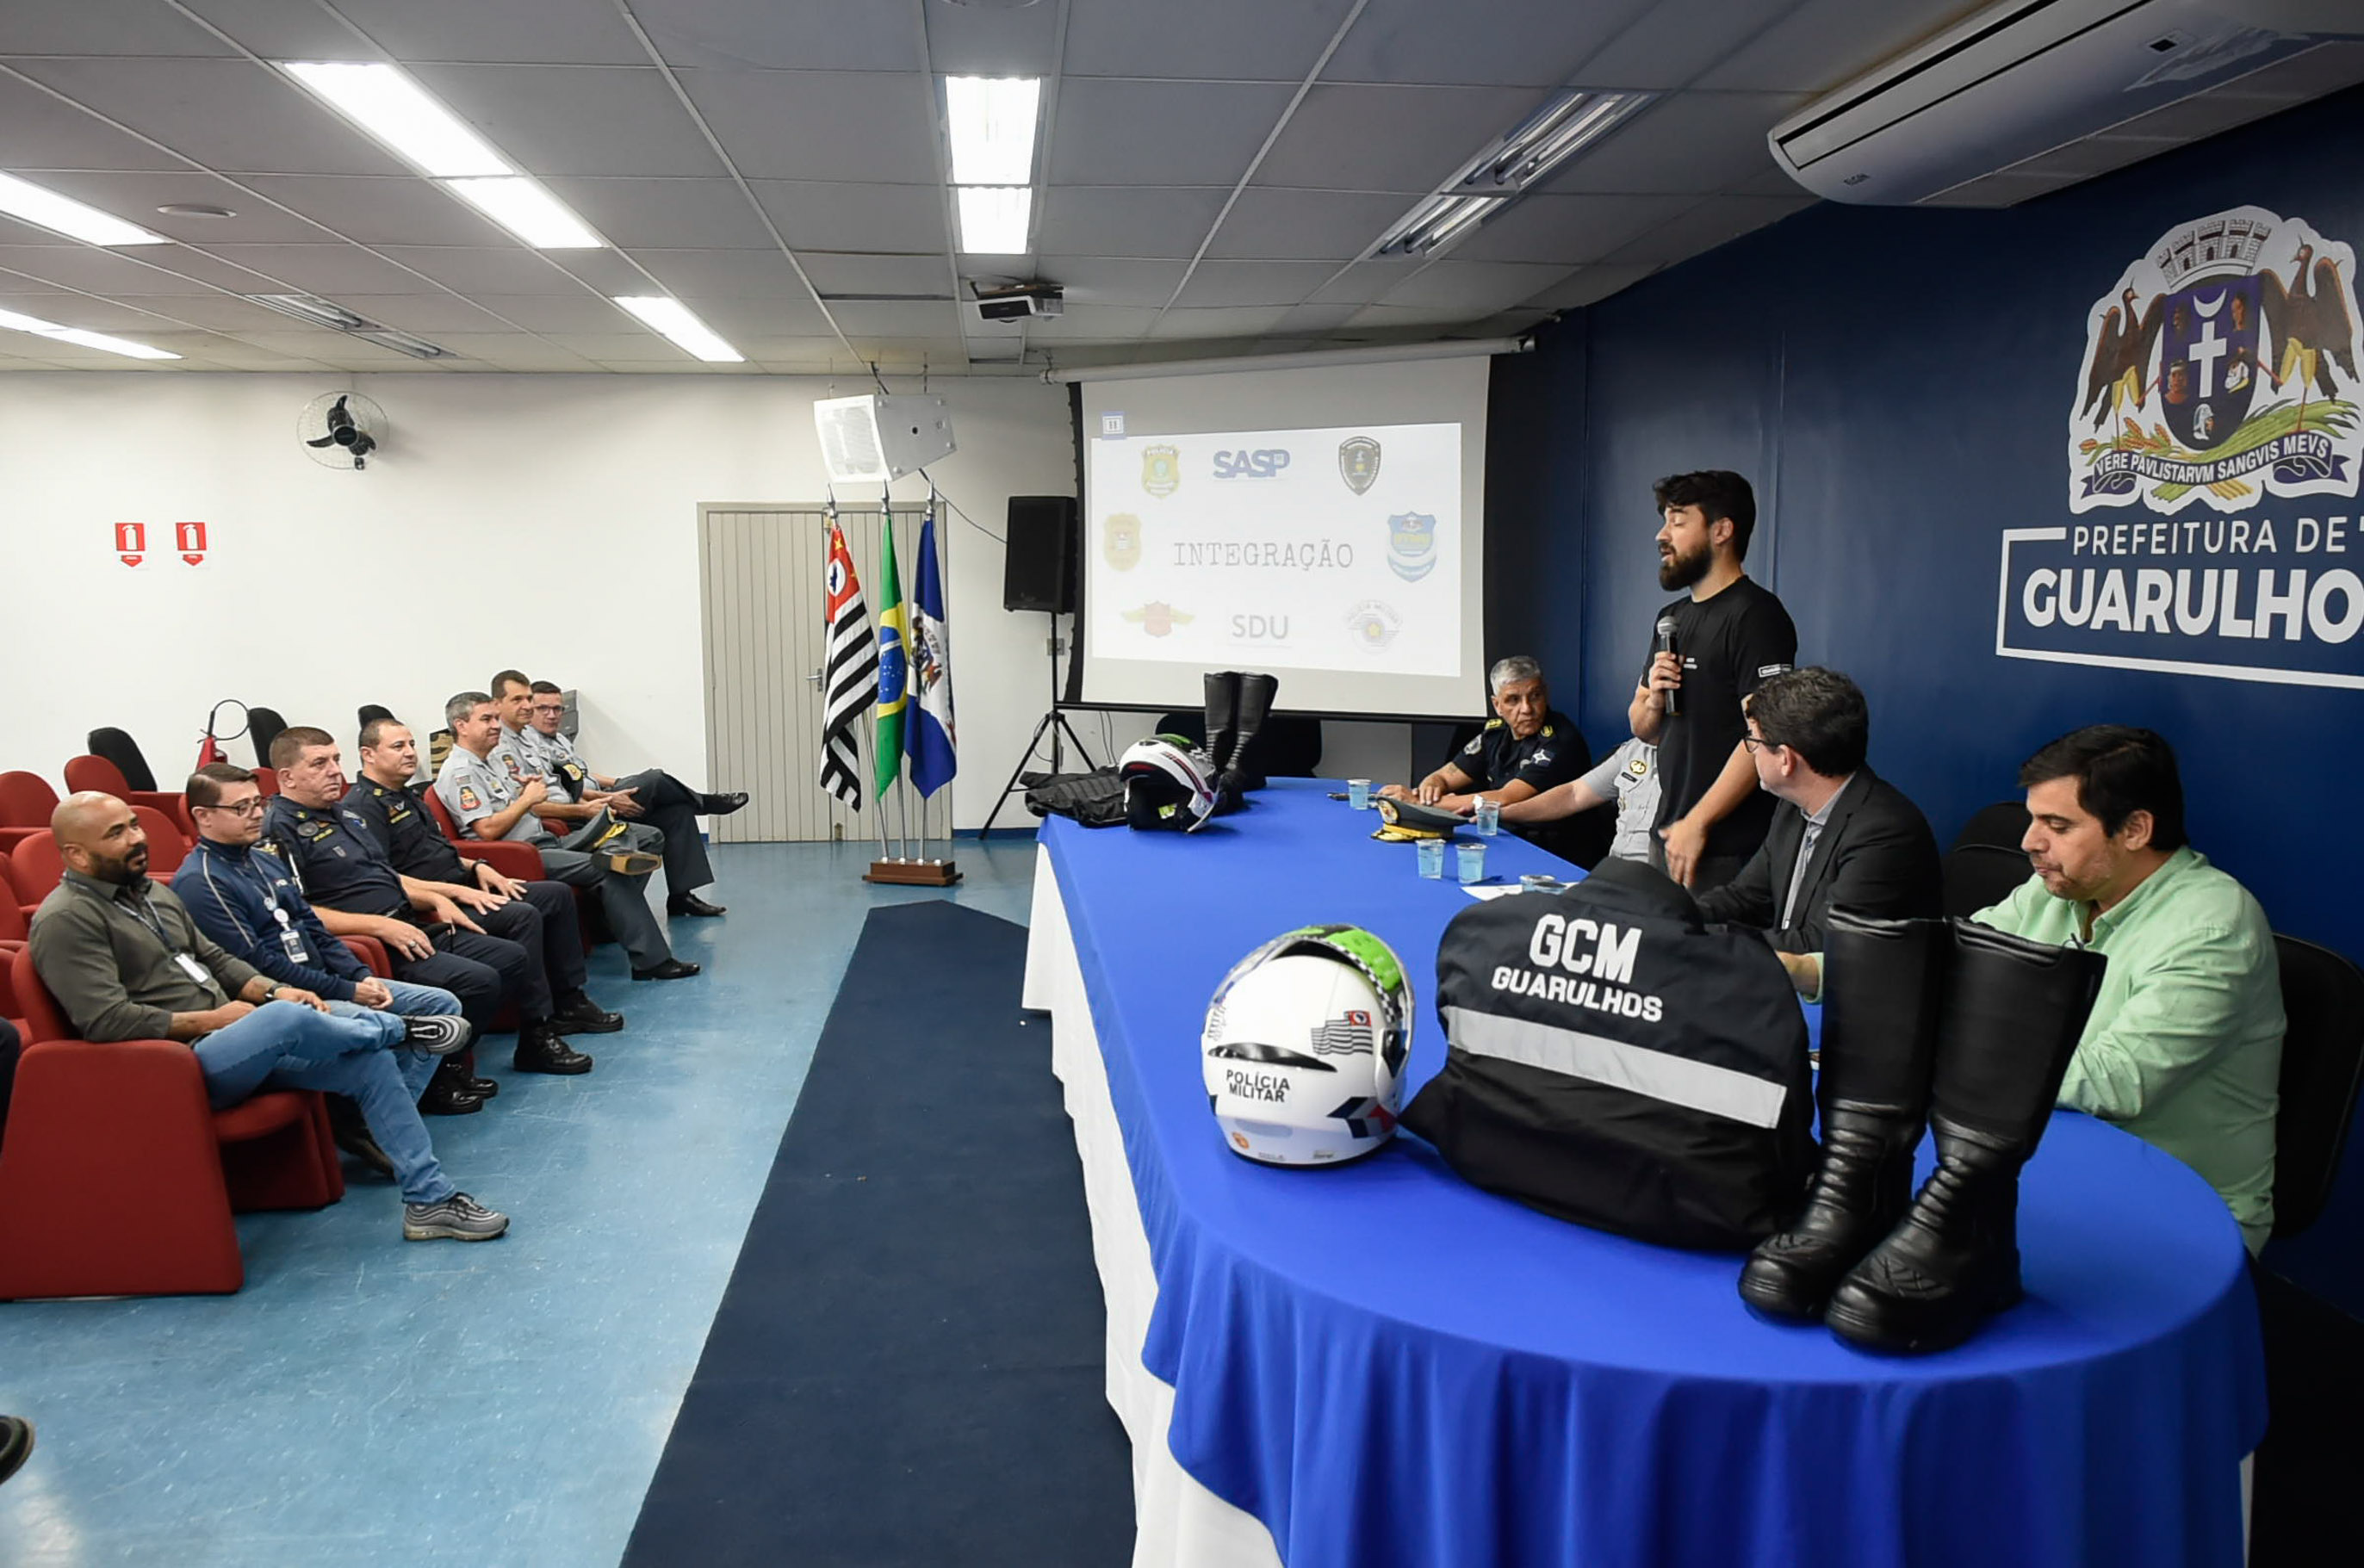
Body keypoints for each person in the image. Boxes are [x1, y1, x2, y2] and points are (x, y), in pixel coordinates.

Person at [27, 792, 506, 1242]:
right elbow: (106, 1021)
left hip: (240, 1040)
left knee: (370, 1063)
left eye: (134, 825)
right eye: (116, 833)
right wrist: (216, 1021)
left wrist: (275, 989)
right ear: (76, 855)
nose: (137, 838)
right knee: (282, 1019)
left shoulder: (150, 892)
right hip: (177, 1064)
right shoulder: (66, 919)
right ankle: (401, 1029)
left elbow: (217, 960)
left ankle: (429, 1200)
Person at [1975, 725, 2281, 1251]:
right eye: (2034, 819)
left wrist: (1954, 1048)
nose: (2030, 842)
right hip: (2056, 1155)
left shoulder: (2214, 927)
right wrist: (1826, 972)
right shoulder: (2058, 887)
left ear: (2135, 829)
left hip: (2180, 1209)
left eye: (2058, 825)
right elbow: (1950, 959)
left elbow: (2114, 1082)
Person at [171, 761, 469, 1170]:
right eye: (241, 808)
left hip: (329, 981)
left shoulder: (263, 859)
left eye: (258, 803)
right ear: (203, 816)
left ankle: (371, 1121)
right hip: (284, 1001)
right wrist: (347, 991)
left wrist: (360, 976)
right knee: (383, 1024)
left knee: (442, 1005)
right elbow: (256, 964)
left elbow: (314, 928)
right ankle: (380, 1119)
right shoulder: (201, 881)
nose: (256, 814)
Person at [264, 727, 599, 1082]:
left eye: (335, 760)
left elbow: (389, 877)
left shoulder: (342, 815)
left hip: (412, 919)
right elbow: (295, 913)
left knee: (512, 955)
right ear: (287, 776)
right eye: (319, 764)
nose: (335, 771)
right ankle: (442, 1072)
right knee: (483, 974)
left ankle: (506, 1041)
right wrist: (383, 924)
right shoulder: (280, 830)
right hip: (375, 940)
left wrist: (445, 892)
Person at [347, 714, 624, 1037]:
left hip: (463, 883)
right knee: (522, 915)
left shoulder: (405, 795)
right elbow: (386, 879)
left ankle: (570, 1001)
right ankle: (538, 1026)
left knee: (555, 894)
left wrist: (477, 866)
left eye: (411, 744)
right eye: (398, 747)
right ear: (368, 754)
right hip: (432, 906)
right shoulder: (364, 808)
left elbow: (442, 850)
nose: (410, 752)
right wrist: (449, 894)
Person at [1695, 668, 1941, 989]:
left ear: (1786, 760)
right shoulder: (1793, 807)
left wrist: (1703, 941)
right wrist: (1678, 917)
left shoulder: (1885, 833)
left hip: (1855, 1005)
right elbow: (1746, 898)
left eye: (1753, 740)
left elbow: (1821, 946)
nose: (1751, 751)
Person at [437, 692, 699, 982]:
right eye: (486, 719)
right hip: (519, 855)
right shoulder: (460, 772)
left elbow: (518, 801)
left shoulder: (491, 761)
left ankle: (611, 911)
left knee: (644, 836)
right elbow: (486, 829)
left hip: (546, 839)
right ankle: (651, 961)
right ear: (461, 726)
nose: (496, 725)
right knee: (607, 869)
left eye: (496, 718)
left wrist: (528, 790)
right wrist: (527, 800)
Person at [1629, 470, 1797, 892]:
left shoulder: (1756, 616)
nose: (1661, 535)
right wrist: (1654, 701)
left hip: (1725, 847)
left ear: (1721, 530)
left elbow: (1763, 732)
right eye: (1665, 521)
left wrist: (1699, 821)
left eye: (1677, 521)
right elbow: (1643, 729)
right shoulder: (1671, 619)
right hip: (1669, 833)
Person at [493, 672, 745, 919]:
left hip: (597, 796)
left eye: (557, 709)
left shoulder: (558, 739)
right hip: (581, 812)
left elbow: (579, 776)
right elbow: (554, 795)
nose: (552, 715)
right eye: (543, 708)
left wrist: (617, 784)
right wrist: (606, 799)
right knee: (655, 778)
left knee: (677, 811)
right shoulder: (524, 743)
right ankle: (702, 802)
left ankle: (681, 897)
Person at [1381, 655, 1594, 860]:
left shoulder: (1559, 741)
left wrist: (1418, 803)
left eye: (1535, 696)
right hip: (1506, 839)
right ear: (1497, 705)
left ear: (1545, 694)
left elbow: (1505, 798)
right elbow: (1447, 775)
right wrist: (1432, 783)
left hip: (1553, 852)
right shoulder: (1496, 733)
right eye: (1513, 700)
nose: (1527, 709)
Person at [1495, 736, 1660, 865]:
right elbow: (1573, 794)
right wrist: (1501, 813)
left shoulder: (1680, 761)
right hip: (1614, 870)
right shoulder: (1634, 750)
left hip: (1657, 882)